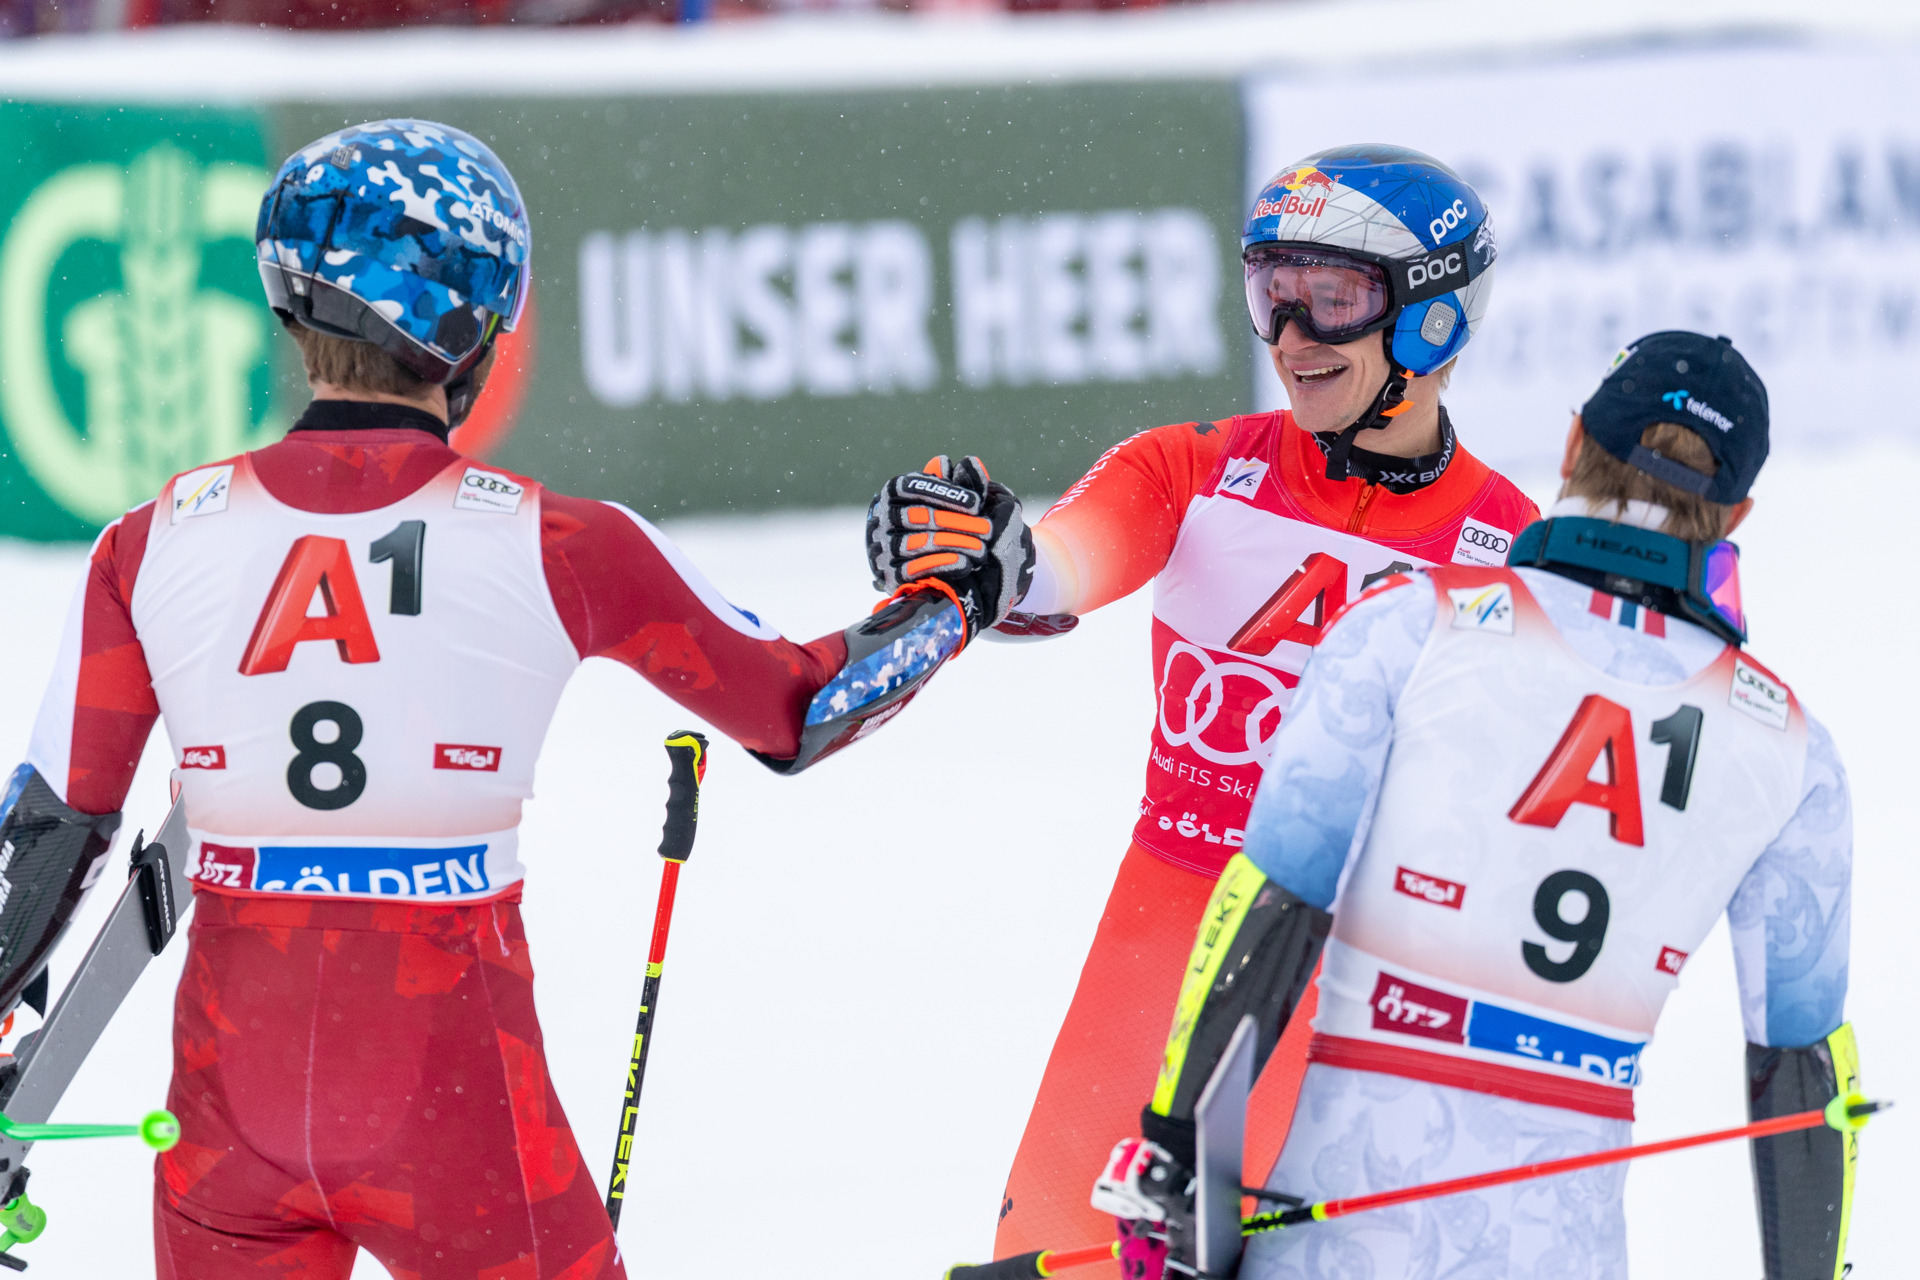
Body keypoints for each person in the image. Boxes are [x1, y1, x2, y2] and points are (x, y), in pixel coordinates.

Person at [0, 119, 1029, 1280]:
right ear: (475, 332)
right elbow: (801, 708)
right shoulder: (561, 540)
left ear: (294, 310)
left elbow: (49, 831)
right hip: (449, 1097)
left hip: (227, 1104)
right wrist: (953, 596)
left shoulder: (147, 543)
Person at [869, 144, 1540, 1266]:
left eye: (1333, 299)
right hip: (1159, 950)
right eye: (1273, 295)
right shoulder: (1191, 470)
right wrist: (982, 559)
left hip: (1364, 988)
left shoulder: (1512, 554)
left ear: (1434, 318)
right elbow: (1058, 563)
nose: (1291, 340)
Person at [1098, 331, 1857, 1280]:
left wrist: (1173, 1158)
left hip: (1333, 1243)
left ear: (1574, 442)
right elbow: (1804, 1072)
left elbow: (1271, 902)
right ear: (1737, 512)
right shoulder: (1792, 747)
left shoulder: (1409, 625)